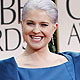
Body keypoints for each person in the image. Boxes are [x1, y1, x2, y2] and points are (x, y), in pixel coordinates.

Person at [0, 0, 80, 80]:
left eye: (43, 25)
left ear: (54, 28)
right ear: (22, 25)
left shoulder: (75, 64)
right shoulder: (6, 70)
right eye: (30, 23)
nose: (36, 30)